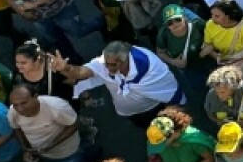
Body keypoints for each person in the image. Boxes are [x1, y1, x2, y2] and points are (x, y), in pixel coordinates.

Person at [52, 41, 184, 128]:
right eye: (106, 64)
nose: (108, 68)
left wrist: (174, 112)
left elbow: (168, 87)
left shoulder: (150, 67)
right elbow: (80, 72)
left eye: (113, 65)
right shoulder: (104, 63)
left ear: (125, 60)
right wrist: (65, 68)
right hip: (130, 113)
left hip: (153, 108)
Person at [7, 85, 87, 162]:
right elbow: (16, 129)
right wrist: (25, 149)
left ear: (36, 96)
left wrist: (52, 144)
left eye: (24, 103)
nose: (20, 109)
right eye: (15, 105)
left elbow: (74, 124)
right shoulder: (13, 112)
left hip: (67, 153)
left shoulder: (57, 107)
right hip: (42, 153)